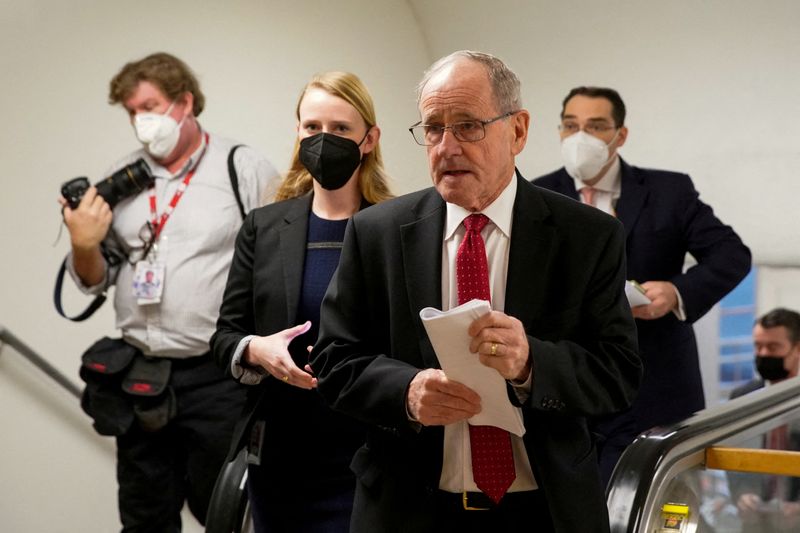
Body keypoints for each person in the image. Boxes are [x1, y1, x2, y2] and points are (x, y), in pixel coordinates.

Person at [310, 51, 641, 533]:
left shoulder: (586, 236)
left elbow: (618, 374)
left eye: (468, 126)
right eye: (432, 128)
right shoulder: (376, 231)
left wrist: (532, 364)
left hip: (542, 509)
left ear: (518, 131)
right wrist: (406, 391)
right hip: (410, 508)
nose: (446, 147)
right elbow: (335, 359)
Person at [60, 52, 279, 532]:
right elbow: (96, 277)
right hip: (141, 374)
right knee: (144, 518)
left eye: (150, 106)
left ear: (184, 103)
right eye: (132, 111)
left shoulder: (243, 168)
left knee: (224, 513)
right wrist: (83, 243)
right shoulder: (121, 179)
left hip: (218, 375)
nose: (142, 120)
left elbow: (278, 262)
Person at [533, 86, 752, 485]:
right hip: (571, 388)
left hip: (656, 386)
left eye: (596, 126)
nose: (581, 137)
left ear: (620, 134)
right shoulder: (536, 195)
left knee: (663, 510)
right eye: (571, 126)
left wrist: (675, 293)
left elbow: (731, 254)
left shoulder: (669, 191)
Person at [210, 71, 392, 532]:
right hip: (281, 454)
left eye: (340, 129)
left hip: (368, 454)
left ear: (369, 139)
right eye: (312, 127)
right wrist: (256, 349)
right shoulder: (265, 227)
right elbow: (225, 334)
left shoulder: (396, 226)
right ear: (297, 132)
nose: (323, 140)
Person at [728, 308, 800, 531]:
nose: (764, 353)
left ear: (797, 348)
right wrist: (742, 494)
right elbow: (731, 456)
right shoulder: (742, 397)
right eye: (758, 346)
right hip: (755, 522)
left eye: (773, 347)